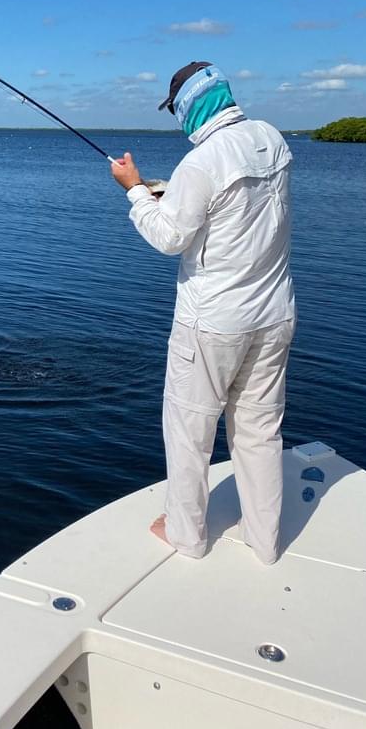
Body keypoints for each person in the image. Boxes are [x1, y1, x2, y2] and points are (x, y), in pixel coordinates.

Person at [110, 62, 295, 565]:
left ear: (189, 105)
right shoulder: (271, 139)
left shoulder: (201, 163)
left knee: (189, 431)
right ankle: (265, 540)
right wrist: (164, 191)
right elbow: (235, 205)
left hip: (212, 324)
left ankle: (186, 537)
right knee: (259, 432)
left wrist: (132, 189)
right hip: (274, 315)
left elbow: (171, 238)